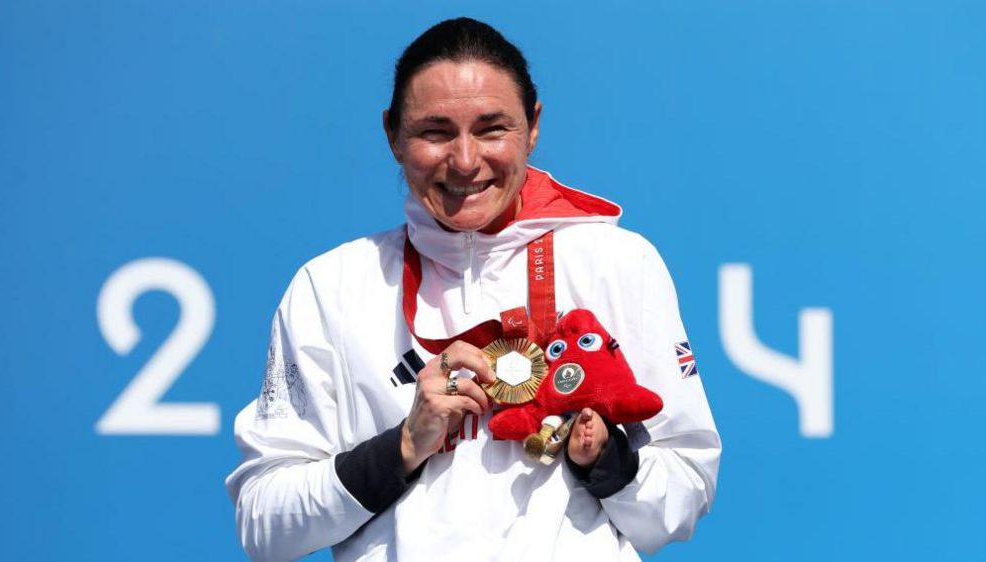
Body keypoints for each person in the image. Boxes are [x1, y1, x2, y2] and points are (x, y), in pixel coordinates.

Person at [226, 17, 720, 562]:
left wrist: (607, 459)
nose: (464, 161)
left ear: (533, 126)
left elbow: (687, 485)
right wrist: (406, 444)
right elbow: (264, 521)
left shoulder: (617, 263)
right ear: (391, 134)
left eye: (491, 129)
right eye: (435, 132)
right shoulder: (330, 286)